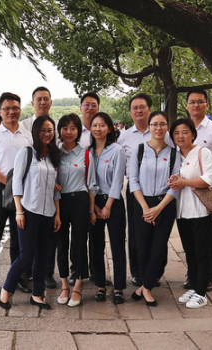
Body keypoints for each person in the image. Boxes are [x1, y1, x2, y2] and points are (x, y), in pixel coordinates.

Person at [0, 116, 61, 310]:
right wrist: (19, 211)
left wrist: (57, 214)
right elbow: (17, 182)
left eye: (50, 130)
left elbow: (55, 188)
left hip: (48, 212)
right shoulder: (26, 152)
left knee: (43, 254)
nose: (47, 134)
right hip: (29, 210)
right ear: (35, 132)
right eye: (43, 130)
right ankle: (6, 290)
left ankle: (37, 295)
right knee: (26, 255)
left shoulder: (52, 156)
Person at [117, 93, 173, 287]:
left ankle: (156, 272)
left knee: (160, 235)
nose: (139, 110)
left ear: (149, 109)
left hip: (161, 192)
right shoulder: (124, 136)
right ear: (130, 112)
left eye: (142, 107)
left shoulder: (162, 133)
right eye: (135, 108)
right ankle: (137, 273)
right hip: (136, 191)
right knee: (136, 233)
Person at [0, 92, 32, 298]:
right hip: (0, 190)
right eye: (7, 108)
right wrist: (9, 183)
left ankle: (17, 277)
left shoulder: (27, 134)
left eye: (15, 108)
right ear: (0, 111)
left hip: (23, 191)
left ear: (20, 110)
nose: (11, 112)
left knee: (19, 237)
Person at [129, 111, 180, 307]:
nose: (158, 128)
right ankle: (144, 284)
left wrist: (158, 208)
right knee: (142, 246)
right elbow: (133, 180)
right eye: (154, 124)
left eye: (162, 124)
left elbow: (175, 185)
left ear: (167, 127)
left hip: (164, 204)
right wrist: (145, 207)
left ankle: (147, 287)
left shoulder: (174, 153)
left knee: (158, 246)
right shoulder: (139, 150)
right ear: (149, 127)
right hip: (141, 203)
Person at [168, 118, 212, 309]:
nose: (180, 136)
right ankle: (195, 286)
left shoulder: (202, 152)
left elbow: (210, 179)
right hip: (182, 212)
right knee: (190, 252)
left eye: (185, 132)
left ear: (193, 134)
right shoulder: (175, 156)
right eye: (176, 133)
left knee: (202, 253)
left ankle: (201, 293)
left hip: (201, 211)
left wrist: (184, 182)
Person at [185, 90, 212, 291]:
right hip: (186, 189)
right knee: (189, 233)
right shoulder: (182, 128)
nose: (196, 105)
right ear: (187, 105)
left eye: (200, 102)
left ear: (207, 104)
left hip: (208, 188)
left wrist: (208, 179)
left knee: (210, 234)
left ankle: (211, 275)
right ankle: (193, 273)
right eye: (192, 102)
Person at [20, 86, 58, 288]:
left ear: (51, 102)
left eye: (46, 99)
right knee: (26, 235)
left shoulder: (55, 125)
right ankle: (25, 272)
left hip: (50, 184)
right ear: (32, 102)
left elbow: (56, 153)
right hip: (30, 187)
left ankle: (47, 273)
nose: (42, 102)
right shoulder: (24, 126)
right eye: (39, 99)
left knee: (49, 235)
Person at [55, 114, 95, 307]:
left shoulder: (86, 154)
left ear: (79, 131)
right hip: (59, 201)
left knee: (79, 243)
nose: (69, 132)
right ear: (60, 131)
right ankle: (64, 285)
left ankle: (78, 285)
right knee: (61, 243)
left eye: (73, 128)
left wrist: (92, 210)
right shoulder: (55, 154)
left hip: (80, 200)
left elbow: (91, 184)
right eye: (65, 128)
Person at [88, 112, 127, 304]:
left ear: (109, 128)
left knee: (117, 245)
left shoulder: (117, 150)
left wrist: (108, 206)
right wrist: (94, 207)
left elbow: (118, 181)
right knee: (95, 245)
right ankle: (100, 285)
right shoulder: (87, 151)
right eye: (95, 125)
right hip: (93, 202)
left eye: (102, 125)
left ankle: (118, 287)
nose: (98, 129)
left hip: (113, 202)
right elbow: (86, 182)